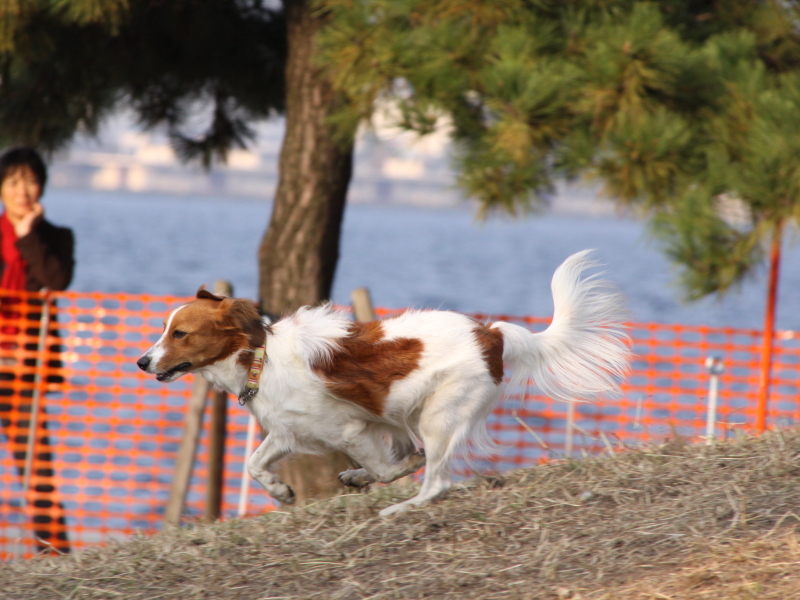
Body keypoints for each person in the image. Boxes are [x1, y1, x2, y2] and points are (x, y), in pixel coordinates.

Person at [0, 147, 74, 554]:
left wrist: (28, 235)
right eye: (13, 182)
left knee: (36, 471)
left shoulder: (56, 238)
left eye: (29, 181)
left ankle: (55, 555)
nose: (22, 190)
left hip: (23, 371)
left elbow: (56, 279)